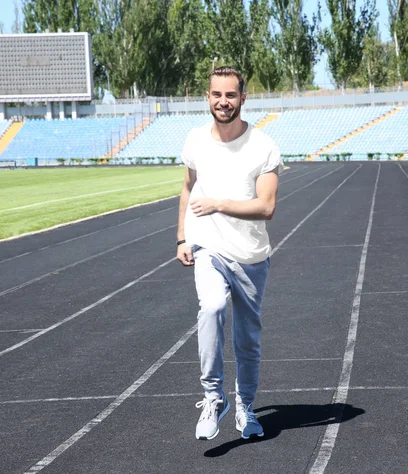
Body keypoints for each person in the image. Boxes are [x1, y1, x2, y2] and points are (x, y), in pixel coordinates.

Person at [176, 66, 283, 441]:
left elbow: (266, 207)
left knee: (247, 339)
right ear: (208, 97)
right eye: (217, 95)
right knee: (212, 307)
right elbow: (188, 188)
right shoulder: (195, 140)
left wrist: (220, 203)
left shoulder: (263, 146)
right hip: (209, 247)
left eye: (231, 95)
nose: (223, 102)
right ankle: (212, 396)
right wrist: (181, 238)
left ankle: (246, 407)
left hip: (251, 256)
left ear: (243, 98)